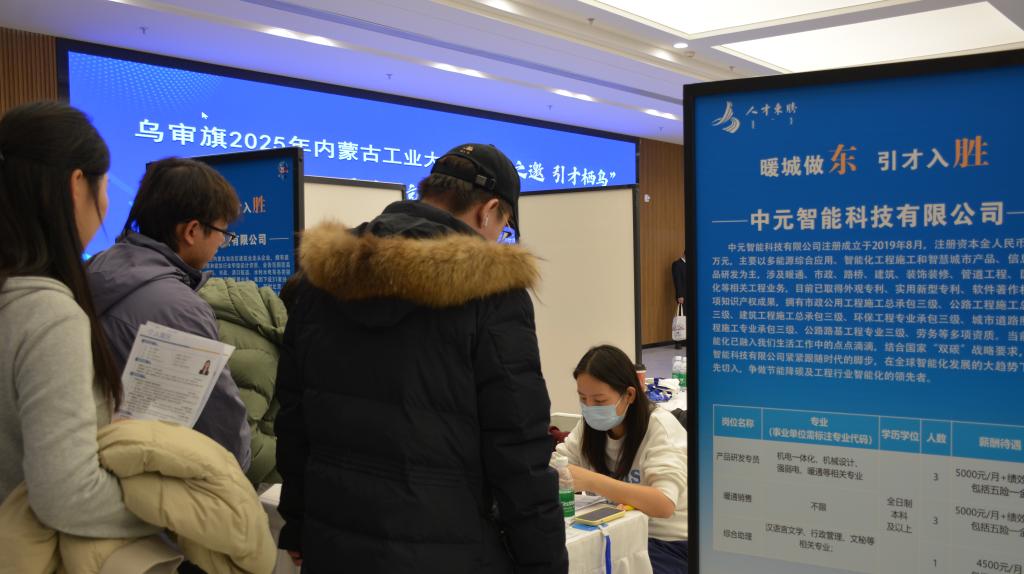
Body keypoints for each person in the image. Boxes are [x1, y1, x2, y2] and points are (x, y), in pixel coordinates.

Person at [276, 143, 568, 573]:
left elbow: (294, 417)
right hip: (447, 549)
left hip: (333, 541)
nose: (498, 238)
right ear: (489, 211)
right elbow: (517, 448)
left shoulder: (321, 277)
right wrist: (544, 562)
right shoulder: (492, 291)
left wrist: (298, 522)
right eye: (504, 227)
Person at [0, 100, 157, 538]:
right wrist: (173, 515)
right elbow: (68, 497)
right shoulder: (48, 314)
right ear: (76, 184)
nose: (105, 202)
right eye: (104, 184)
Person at [87, 157, 251, 470]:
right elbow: (224, 433)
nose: (222, 242)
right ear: (192, 231)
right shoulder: (180, 309)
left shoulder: (92, 269)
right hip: (150, 474)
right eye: (223, 232)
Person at [556, 345, 688, 574]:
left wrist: (592, 481)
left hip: (666, 542)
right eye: (583, 399)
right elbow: (558, 464)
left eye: (599, 400)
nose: (589, 408)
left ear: (629, 395)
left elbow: (664, 504)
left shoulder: (659, 428)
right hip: (618, 531)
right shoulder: (588, 428)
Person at [199, 277, 288, 486]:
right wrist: (300, 460)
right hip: (217, 480)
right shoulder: (263, 358)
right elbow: (244, 448)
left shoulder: (234, 308)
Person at [672, 256, 686, 349]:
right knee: (680, 318)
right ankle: (678, 341)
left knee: (686, 318)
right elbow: (677, 281)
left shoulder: (689, 264)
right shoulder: (677, 264)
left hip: (690, 295)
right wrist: (679, 295)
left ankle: (685, 339)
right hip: (682, 296)